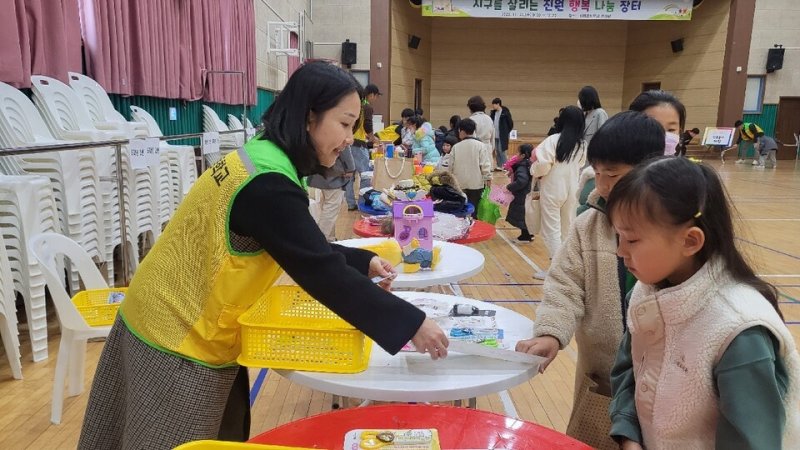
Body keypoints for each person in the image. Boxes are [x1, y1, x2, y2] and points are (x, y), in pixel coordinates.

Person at [77, 61, 449, 449]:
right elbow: (320, 271)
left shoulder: (262, 157)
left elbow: (289, 242)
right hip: (176, 338)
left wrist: (362, 261)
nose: (349, 138)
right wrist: (412, 324)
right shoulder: (269, 182)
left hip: (169, 316)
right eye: (343, 123)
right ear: (309, 117)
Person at [607, 157, 800, 449]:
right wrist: (629, 433)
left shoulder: (738, 330)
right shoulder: (645, 293)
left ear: (690, 241)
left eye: (632, 240)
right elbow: (629, 369)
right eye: (618, 236)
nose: (620, 251)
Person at [515, 111, 665, 450]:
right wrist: (551, 332)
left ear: (651, 168)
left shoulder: (672, 232)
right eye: (597, 173)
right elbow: (565, 284)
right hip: (604, 377)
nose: (602, 185)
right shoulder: (589, 225)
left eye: (613, 174)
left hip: (665, 383)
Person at [577, 90, 687, 214]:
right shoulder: (599, 186)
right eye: (653, 126)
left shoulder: (689, 188)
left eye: (671, 129)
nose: (661, 136)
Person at [529, 105, 586, 279]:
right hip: (572, 188)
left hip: (553, 188)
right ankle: (566, 267)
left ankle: (555, 269)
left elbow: (543, 165)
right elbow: (581, 164)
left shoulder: (553, 140)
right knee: (567, 227)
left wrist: (534, 171)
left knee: (551, 229)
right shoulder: (582, 144)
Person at [345, 83, 381, 210]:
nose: (375, 99)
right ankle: (362, 203)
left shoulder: (356, 104)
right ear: (372, 94)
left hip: (348, 143)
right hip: (359, 145)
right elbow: (367, 125)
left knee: (349, 175)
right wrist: (373, 138)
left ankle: (350, 203)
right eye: (376, 96)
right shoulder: (367, 106)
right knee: (365, 174)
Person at [307, 148, 355, 241]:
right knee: (330, 209)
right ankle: (320, 240)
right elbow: (343, 147)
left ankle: (329, 238)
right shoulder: (339, 134)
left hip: (317, 172)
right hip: (333, 175)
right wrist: (350, 168)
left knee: (325, 208)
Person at [450, 118, 492, 219]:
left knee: (461, 210)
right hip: (476, 184)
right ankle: (474, 231)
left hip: (459, 183)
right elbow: (485, 165)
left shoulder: (456, 147)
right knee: (474, 211)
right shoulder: (481, 146)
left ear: (462, 131)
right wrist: (488, 179)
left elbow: (450, 166)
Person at [506, 143, 533, 242]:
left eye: (518, 152)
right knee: (526, 215)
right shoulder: (530, 164)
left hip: (522, 195)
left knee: (522, 216)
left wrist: (509, 187)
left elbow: (521, 181)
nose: (516, 154)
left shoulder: (522, 166)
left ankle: (525, 236)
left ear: (522, 155)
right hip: (527, 193)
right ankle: (529, 234)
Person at [467, 95, 495, 166]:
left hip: (476, 152)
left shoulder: (471, 120)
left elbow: (471, 139)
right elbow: (493, 139)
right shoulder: (489, 119)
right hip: (488, 151)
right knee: (487, 175)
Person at [490, 98, 514, 168]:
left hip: (502, 135)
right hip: (495, 135)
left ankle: (505, 166)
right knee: (497, 151)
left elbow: (510, 124)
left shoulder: (505, 113)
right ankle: (499, 166)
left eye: (494, 104)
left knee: (502, 151)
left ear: (498, 104)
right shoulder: (493, 113)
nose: (493, 106)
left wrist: (506, 132)